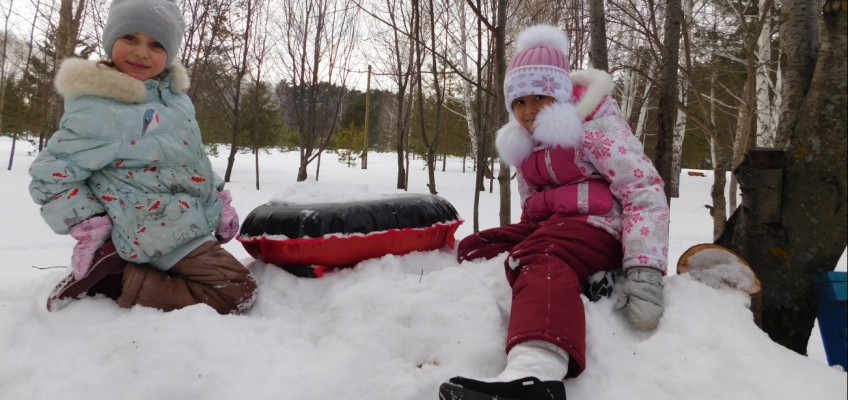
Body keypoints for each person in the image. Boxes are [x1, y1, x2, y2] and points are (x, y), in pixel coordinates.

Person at [438, 25, 669, 400]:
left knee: (541, 257)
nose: (528, 111)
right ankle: (575, 278)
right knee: (477, 246)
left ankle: (536, 372)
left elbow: (643, 190)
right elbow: (532, 208)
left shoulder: (595, 129)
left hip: (599, 227)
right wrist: (515, 238)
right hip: (555, 228)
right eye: (519, 102)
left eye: (539, 98)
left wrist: (645, 270)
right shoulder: (528, 145)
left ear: (560, 95)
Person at [29, 0, 257, 315]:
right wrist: (89, 225)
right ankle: (119, 280)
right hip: (150, 228)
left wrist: (218, 198)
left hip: (183, 220)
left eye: (156, 44)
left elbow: (191, 159)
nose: (141, 52)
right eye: (130, 38)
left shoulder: (176, 101)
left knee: (234, 287)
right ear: (111, 41)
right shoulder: (100, 109)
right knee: (238, 292)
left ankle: (130, 271)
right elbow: (50, 176)